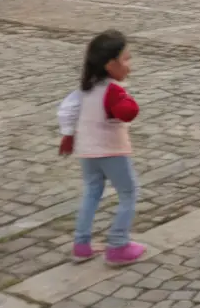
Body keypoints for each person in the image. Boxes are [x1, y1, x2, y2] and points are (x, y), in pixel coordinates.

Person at [59, 31, 145, 265]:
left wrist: (67, 135)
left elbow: (67, 109)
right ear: (110, 64)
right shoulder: (113, 90)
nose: (130, 65)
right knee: (129, 193)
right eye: (126, 59)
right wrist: (128, 103)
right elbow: (126, 112)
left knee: (92, 192)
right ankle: (118, 244)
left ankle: (81, 244)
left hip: (87, 149)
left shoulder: (86, 87)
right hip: (111, 150)